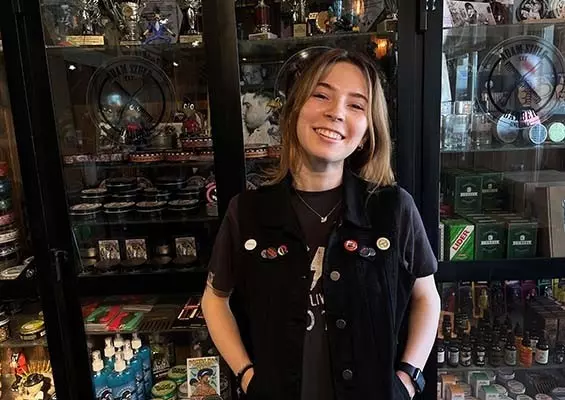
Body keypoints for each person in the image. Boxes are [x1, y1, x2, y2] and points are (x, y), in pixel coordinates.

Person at [202, 48, 441, 400]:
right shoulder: (248, 211)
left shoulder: (393, 209)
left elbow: (427, 296)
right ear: (295, 109)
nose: (336, 112)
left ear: (367, 132)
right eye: (321, 95)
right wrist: (246, 375)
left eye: (356, 105)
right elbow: (214, 299)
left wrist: (408, 378)